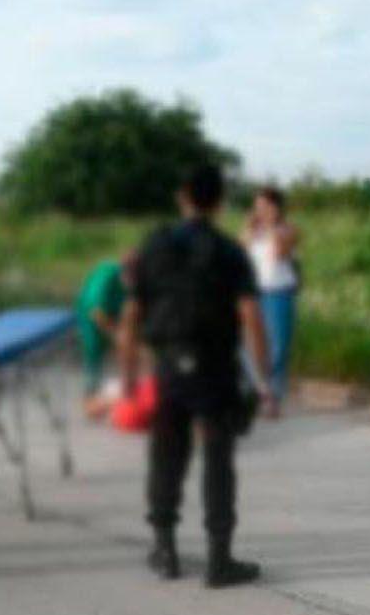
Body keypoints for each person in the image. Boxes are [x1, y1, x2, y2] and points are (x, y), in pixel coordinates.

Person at [118, 165, 272, 588]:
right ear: (220, 202)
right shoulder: (228, 251)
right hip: (216, 366)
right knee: (219, 460)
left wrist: (129, 375)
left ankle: (165, 551)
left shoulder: (154, 247)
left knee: (166, 456)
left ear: (182, 197)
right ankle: (219, 561)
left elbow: (132, 314)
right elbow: (251, 315)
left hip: (169, 365)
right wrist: (264, 379)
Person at [242, 187, 301, 417]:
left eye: (265, 206)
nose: (260, 210)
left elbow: (279, 252)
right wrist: (250, 228)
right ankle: (257, 391)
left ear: (276, 207)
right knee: (251, 346)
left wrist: (270, 225)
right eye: (257, 206)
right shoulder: (252, 231)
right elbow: (241, 251)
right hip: (255, 292)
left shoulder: (288, 229)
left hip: (279, 292)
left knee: (278, 346)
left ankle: (274, 396)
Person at [74, 255, 130, 418]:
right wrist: (115, 335)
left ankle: (122, 394)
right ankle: (91, 398)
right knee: (94, 350)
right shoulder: (107, 277)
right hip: (92, 313)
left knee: (125, 349)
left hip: (115, 311)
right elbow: (96, 313)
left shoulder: (136, 281)